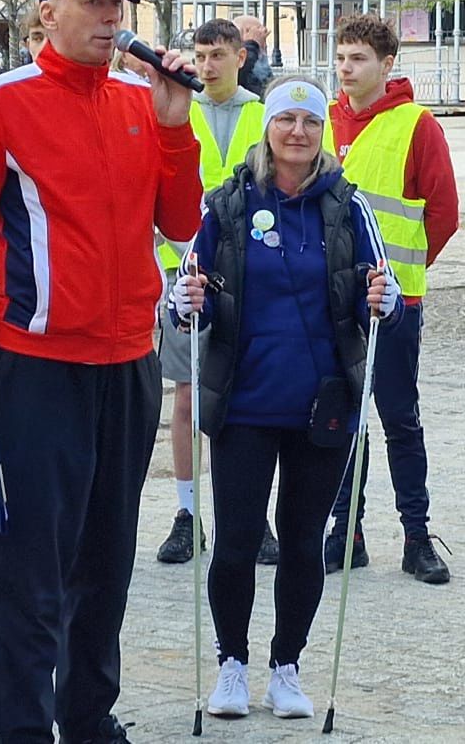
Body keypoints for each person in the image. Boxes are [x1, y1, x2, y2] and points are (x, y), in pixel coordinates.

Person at [0, 0, 202, 744]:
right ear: (48, 13)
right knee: (30, 566)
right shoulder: (4, 99)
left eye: (117, 4)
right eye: (92, 3)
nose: (111, 17)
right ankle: (22, 727)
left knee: (107, 562)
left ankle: (87, 717)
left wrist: (175, 125)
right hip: (40, 366)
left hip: (129, 362)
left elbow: (182, 222)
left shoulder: (138, 99)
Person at [166, 77, 399, 720]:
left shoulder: (348, 206)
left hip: (322, 403)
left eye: (310, 121)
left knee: (303, 542)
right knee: (236, 542)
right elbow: (189, 288)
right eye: (286, 120)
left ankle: (286, 666)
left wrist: (383, 300)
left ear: (323, 132)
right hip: (244, 401)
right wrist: (186, 300)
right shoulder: (228, 205)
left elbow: (386, 295)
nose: (297, 132)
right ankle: (232, 665)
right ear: (267, 128)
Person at [325, 12, 459, 584]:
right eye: (340, 57)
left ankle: (416, 537)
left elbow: (443, 213)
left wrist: (404, 274)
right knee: (341, 420)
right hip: (333, 304)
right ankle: (345, 532)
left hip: (394, 304)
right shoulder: (324, 121)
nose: (346, 68)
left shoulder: (416, 125)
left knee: (400, 419)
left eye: (358, 59)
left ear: (387, 64)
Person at [155, 18, 271, 567]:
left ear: (240, 57)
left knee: (250, 395)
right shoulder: (179, 109)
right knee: (187, 396)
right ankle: (186, 513)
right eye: (199, 56)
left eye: (217, 55)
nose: (206, 66)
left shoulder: (263, 114)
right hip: (185, 272)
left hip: (250, 274)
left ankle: (252, 515)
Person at [235, 14, 273, 96]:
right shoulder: (235, 57)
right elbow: (240, 73)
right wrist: (252, 43)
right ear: (246, 31)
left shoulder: (257, 54)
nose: (262, 39)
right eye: (258, 34)